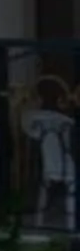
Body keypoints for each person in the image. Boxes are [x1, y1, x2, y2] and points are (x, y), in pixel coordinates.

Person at [27, 80, 76, 232]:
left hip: (48, 167)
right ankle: (72, 222)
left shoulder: (32, 118)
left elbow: (30, 132)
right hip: (70, 167)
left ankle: (39, 221)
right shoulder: (68, 122)